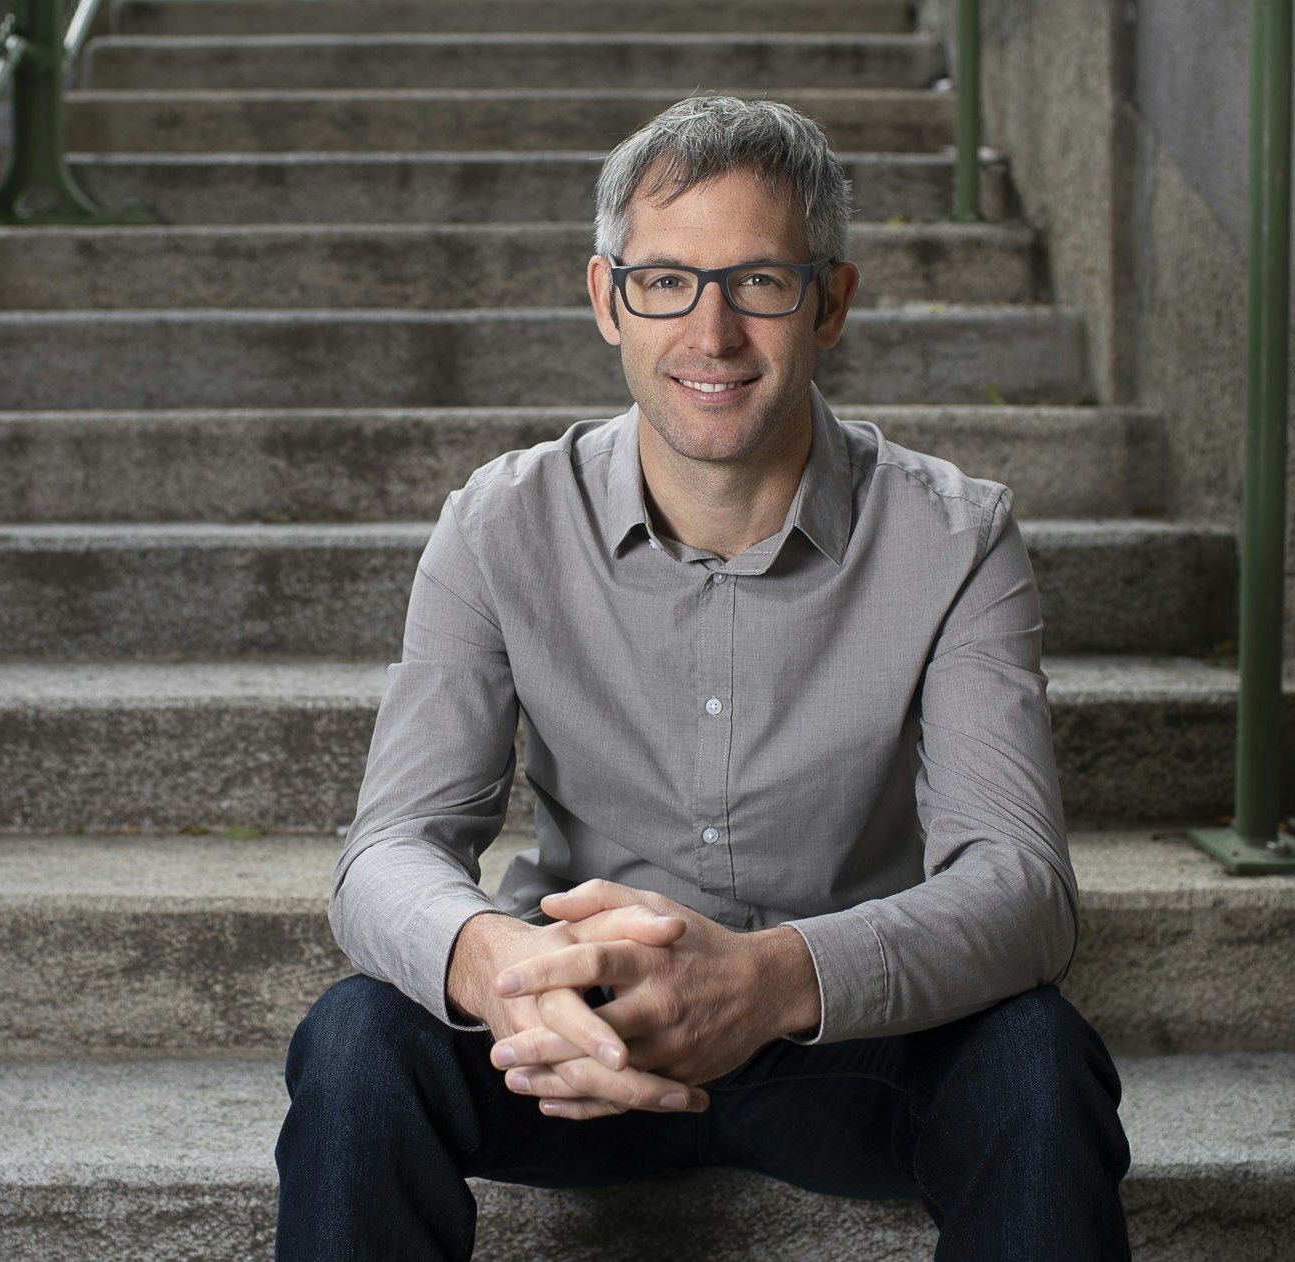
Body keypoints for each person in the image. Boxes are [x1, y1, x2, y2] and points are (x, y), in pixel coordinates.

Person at [274, 95, 1131, 1261]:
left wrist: (775, 978)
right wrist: (502, 962)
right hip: (576, 1034)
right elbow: (386, 850)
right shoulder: (497, 525)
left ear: (831, 301)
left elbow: (1024, 887)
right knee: (358, 1039)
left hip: (843, 1043)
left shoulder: (957, 537)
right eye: (666, 280)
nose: (711, 333)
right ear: (605, 300)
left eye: (761, 282)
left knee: (1037, 1057)